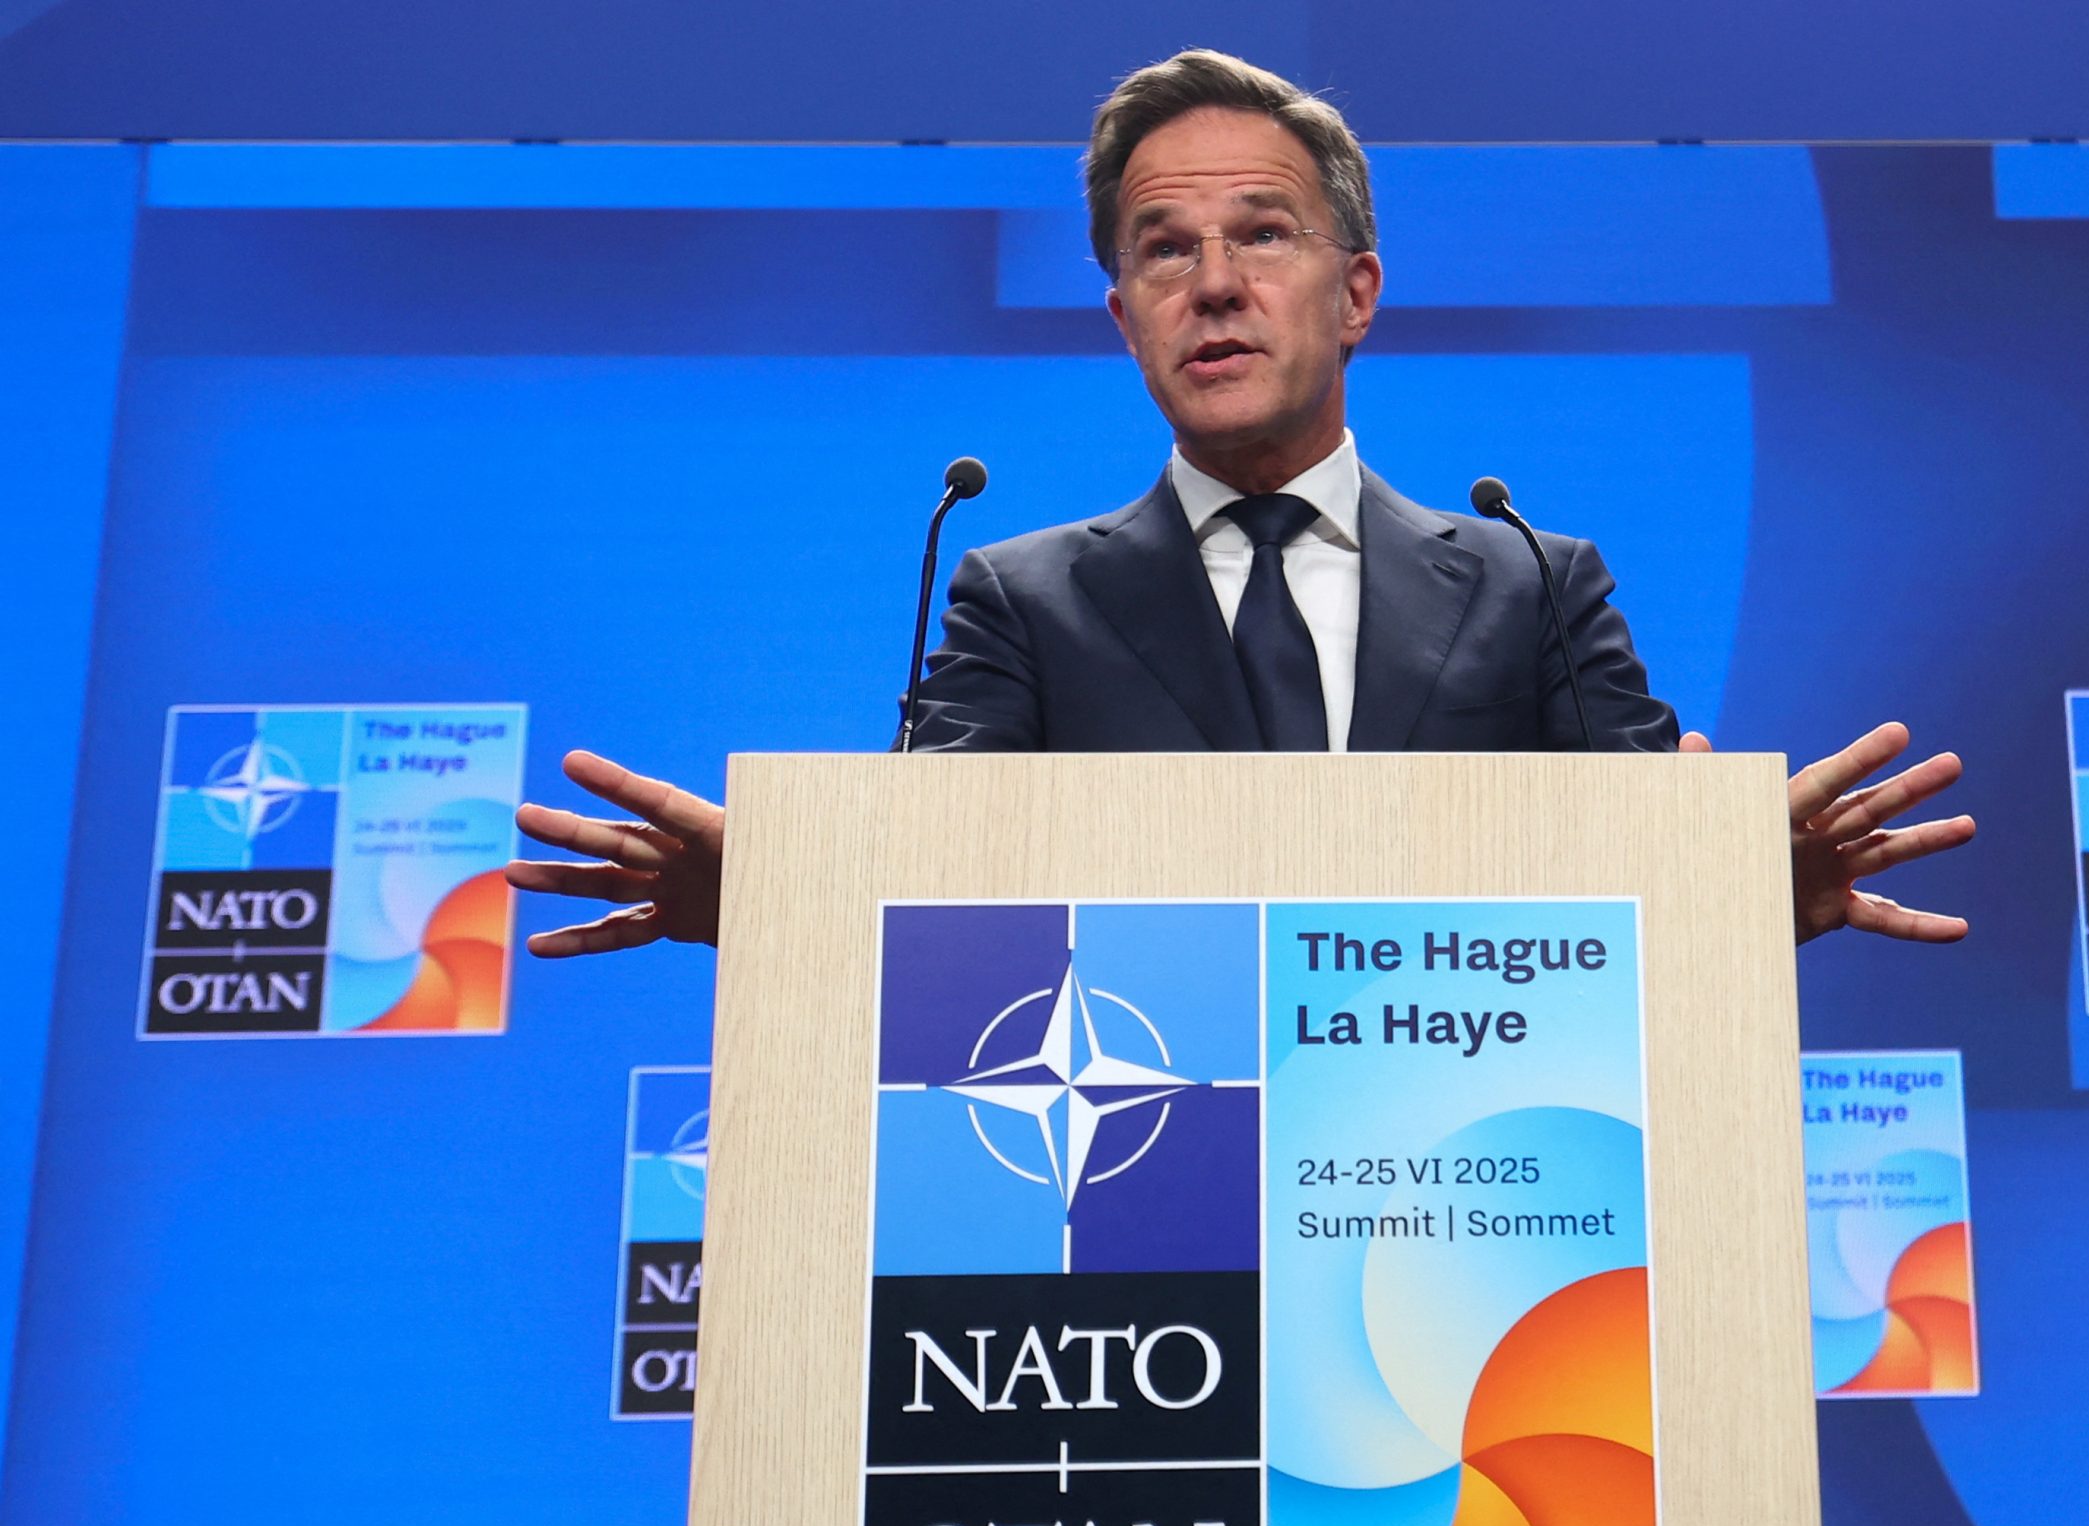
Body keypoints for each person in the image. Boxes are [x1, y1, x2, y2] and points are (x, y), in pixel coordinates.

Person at [507, 50, 1973, 954]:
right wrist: (777, 909)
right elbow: (933, 898)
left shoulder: (1533, 579)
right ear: (1124, 317)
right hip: (1145, 1215)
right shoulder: (1020, 600)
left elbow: (1643, 902)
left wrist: (1741, 899)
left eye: (1263, 234)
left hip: (1468, 1207)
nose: (1213, 283)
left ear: (1357, 294)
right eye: (1164, 249)